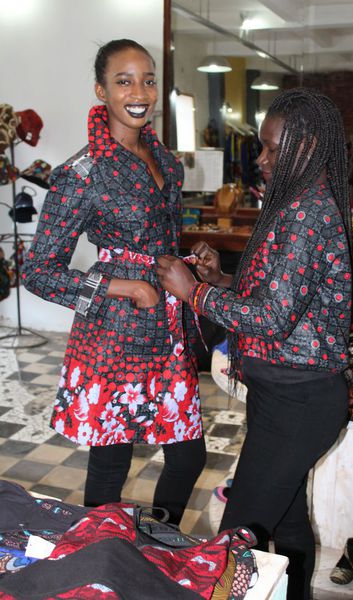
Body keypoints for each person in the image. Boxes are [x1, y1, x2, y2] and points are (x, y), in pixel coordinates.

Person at [156, 88, 352, 599]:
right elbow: (276, 297)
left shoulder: (308, 213)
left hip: (299, 400)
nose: (261, 159)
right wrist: (221, 280)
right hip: (285, 395)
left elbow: (271, 319)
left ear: (307, 147)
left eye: (271, 148)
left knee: (236, 539)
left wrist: (193, 292)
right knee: (285, 525)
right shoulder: (295, 205)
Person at [22, 39, 206, 523]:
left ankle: (159, 542)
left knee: (189, 456)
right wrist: (123, 287)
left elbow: (160, 238)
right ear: (101, 90)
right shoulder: (82, 173)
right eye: (124, 81)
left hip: (169, 328)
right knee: (111, 465)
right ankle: (102, 553)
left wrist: (192, 262)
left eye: (148, 80)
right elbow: (38, 272)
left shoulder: (166, 161)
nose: (139, 92)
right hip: (115, 332)